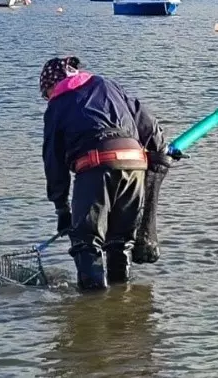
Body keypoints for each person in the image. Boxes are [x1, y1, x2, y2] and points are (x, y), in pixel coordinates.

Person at [41, 56, 171, 291]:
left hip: (96, 166)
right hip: (134, 165)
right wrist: (161, 150)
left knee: (86, 243)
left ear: (53, 85)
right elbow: (149, 125)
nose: (47, 98)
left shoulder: (57, 105)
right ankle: (122, 299)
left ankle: (92, 304)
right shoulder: (107, 85)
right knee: (121, 242)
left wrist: (61, 208)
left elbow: (53, 163)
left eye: (46, 93)